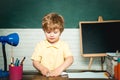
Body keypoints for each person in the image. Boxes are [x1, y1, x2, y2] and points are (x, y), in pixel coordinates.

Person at [31, 13, 74, 77]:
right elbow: (35, 62)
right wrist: (42, 68)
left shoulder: (63, 45)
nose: (51, 35)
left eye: (55, 32)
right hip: (44, 76)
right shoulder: (40, 45)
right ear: (44, 31)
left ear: (60, 32)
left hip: (60, 76)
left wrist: (59, 70)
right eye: (48, 32)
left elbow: (70, 59)